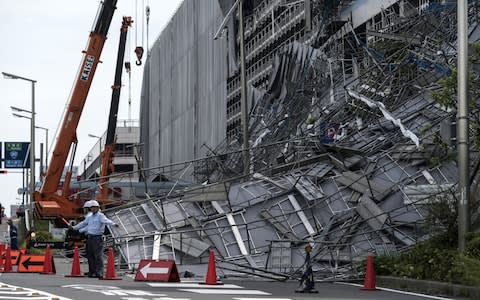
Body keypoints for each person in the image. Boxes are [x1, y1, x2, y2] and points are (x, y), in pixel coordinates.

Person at [70, 200, 118, 278]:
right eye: (92, 208)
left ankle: (99, 272)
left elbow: (106, 221)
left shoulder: (100, 216)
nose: (93, 209)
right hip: (90, 238)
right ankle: (92, 272)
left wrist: (114, 224)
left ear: (98, 208)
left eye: (94, 207)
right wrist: (74, 228)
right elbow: (83, 223)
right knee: (90, 255)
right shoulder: (90, 217)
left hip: (97, 238)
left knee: (98, 256)